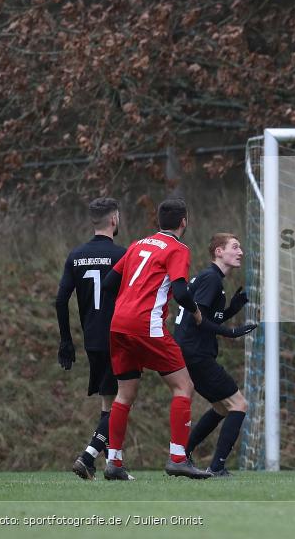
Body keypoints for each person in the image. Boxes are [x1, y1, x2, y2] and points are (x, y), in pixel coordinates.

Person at [100, 198, 211, 480]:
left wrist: (128, 303)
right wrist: (197, 313)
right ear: (184, 222)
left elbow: (109, 283)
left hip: (119, 324)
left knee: (124, 394)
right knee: (184, 386)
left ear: (158, 221)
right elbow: (182, 292)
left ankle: (113, 462)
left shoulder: (137, 245)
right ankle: (178, 458)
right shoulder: (177, 249)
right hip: (145, 325)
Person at [55, 198, 127, 480]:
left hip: (92, 339)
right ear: (114, 220)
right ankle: (87, 457)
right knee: (123, 399)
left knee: (108, 401)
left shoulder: (76, 255)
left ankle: (113, 465)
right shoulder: (123, 255)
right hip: (118, 336)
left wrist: (66, 341)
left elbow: (61, 300)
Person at [176, 233, 257, 477]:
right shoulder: (211, 279)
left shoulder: (209, 278)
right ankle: (217, 466)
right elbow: (198, 319)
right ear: (219, 252)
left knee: (221, 407)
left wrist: (231, 309)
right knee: (239, 404)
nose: (240, 252)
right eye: (235, 247)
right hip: (196, 354)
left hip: (190, 352)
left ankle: (182, 455)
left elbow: (206, 318)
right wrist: (231, 332)